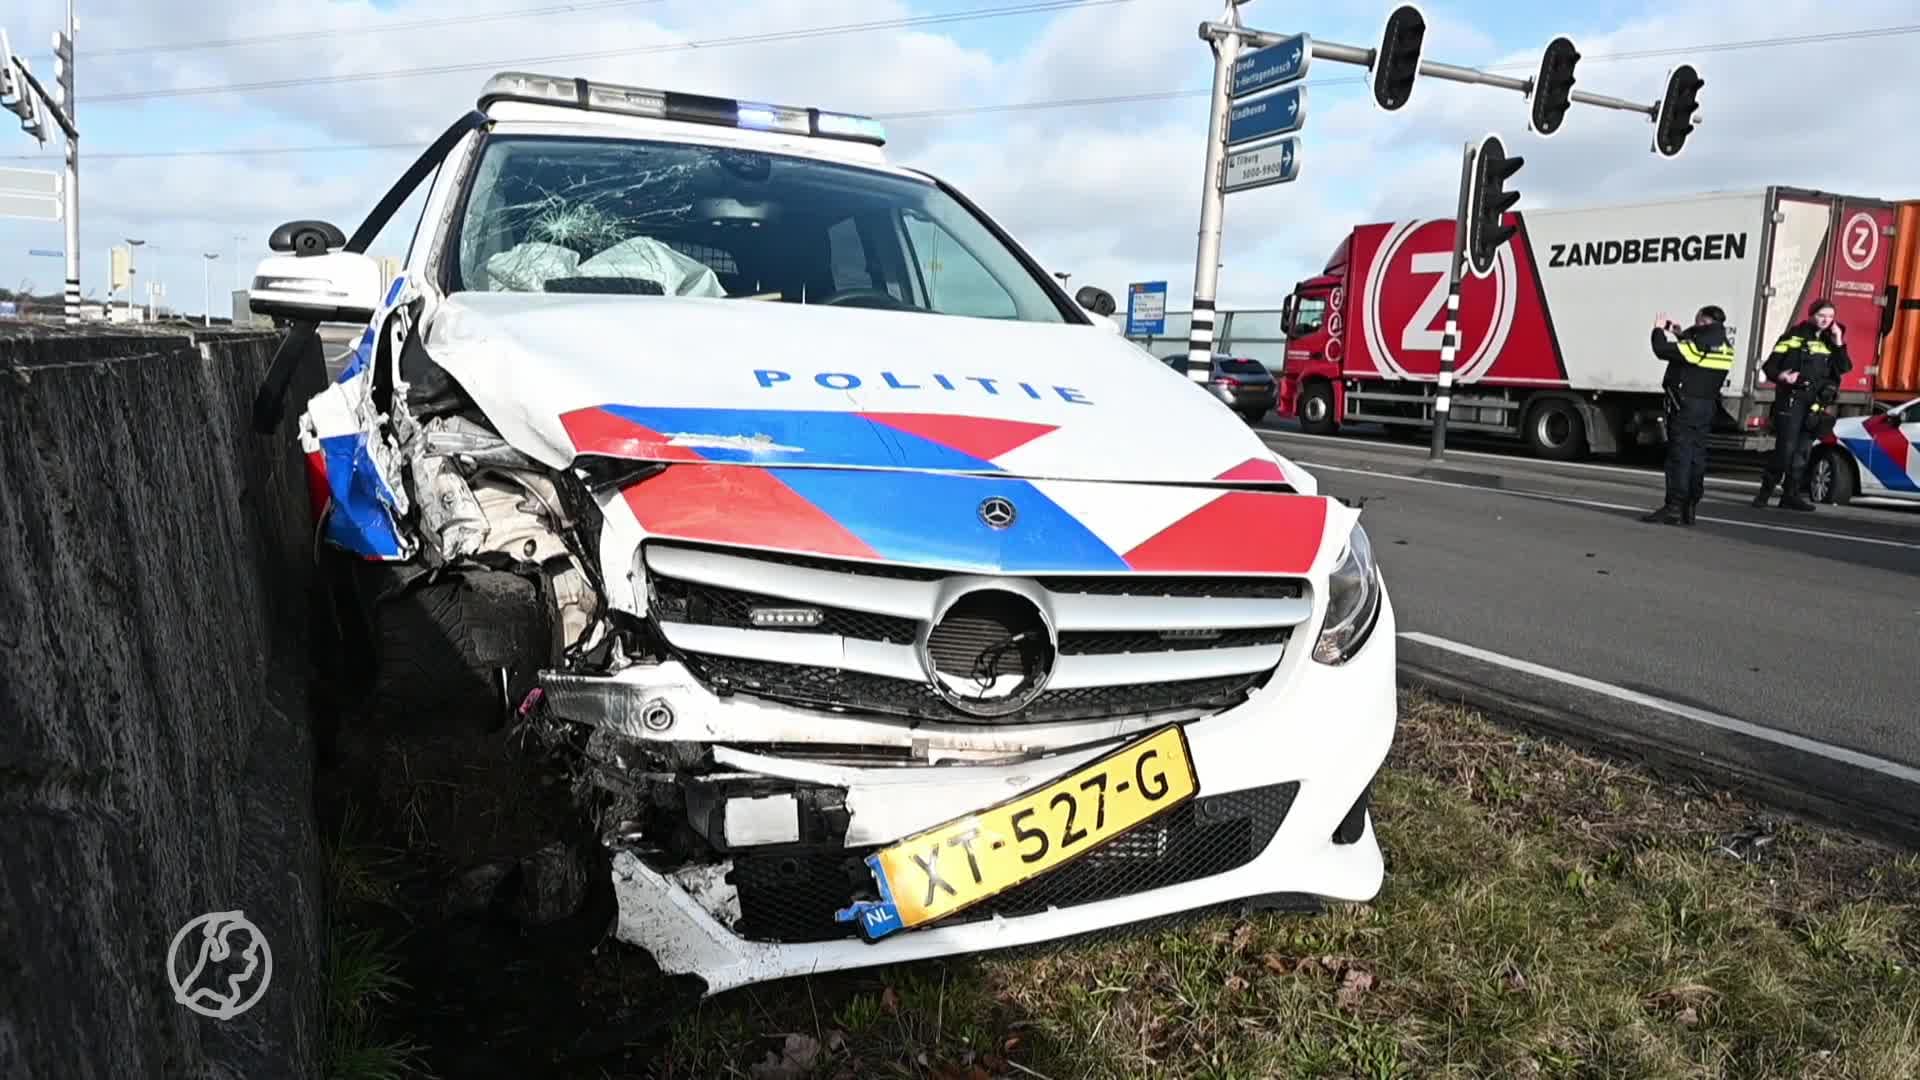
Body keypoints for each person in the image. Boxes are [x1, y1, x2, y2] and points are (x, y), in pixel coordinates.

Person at [1641, 304, 1736, 525]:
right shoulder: (1725, 346)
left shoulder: (1699, 345)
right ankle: (1690, 506)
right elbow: (1695, 355)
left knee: (1679, 457)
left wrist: (1658, 329)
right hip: (1707, 406)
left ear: (1704, 321)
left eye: (1697, 320)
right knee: (1697, 457)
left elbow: (1661, 349)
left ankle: (1674, 507)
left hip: (1686, 407)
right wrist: (1679, 334)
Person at [1754, 299, 1852, 511]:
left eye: (1830, 317)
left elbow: (1844, 367)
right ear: (1811, 315)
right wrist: (1782, 376)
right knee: (1785, 450)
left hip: (1815, 404)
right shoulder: (1794, 337)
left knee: (1802, 452)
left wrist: (1838, 341)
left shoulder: (1831, 341)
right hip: (1792, 400)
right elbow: (1770, 367)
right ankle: (1765, 493)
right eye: (1821, 315)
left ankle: (1791, 495)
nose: (1825, 320)